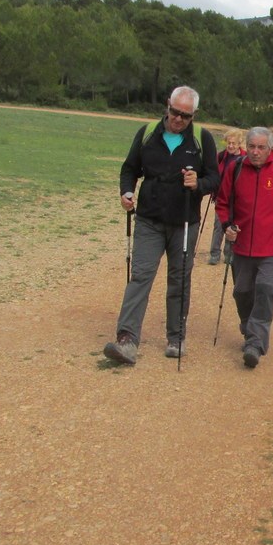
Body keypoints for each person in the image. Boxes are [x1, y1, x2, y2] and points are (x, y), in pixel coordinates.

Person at [103, 86, 220, 365]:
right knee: (141, 276)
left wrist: (198, 184)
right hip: (149, 220)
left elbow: (215, 179)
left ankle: (176, 337)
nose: (178, 119)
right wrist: (126, 192)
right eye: (175, 112)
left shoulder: (202, 139)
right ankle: (127, 339)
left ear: (194, 115)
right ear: (167, 105)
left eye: (185, 115)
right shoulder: (147, 134)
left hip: (184, 223)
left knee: (179, 280)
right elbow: (130, 168)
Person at [216, 126, 273, 369]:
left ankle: (255, 343)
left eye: (261, 147)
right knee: (242, 292)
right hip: (242, 246)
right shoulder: (236, 168)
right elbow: (222, 203)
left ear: (270, 149)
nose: (255, 152)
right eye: (252, 146)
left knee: (265, 289)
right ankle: (249, 327)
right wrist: (226, 225)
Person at [208, 127, 246, 265]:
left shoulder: (244, 158)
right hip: (221, 197)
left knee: (233, 226)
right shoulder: (221, 156)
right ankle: (214, 254)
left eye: (233, 143)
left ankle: (229, 253)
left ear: (239, 143)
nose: (230, 146)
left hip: (237, 199)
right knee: (219, 226)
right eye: (228, 143)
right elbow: (213, 172)